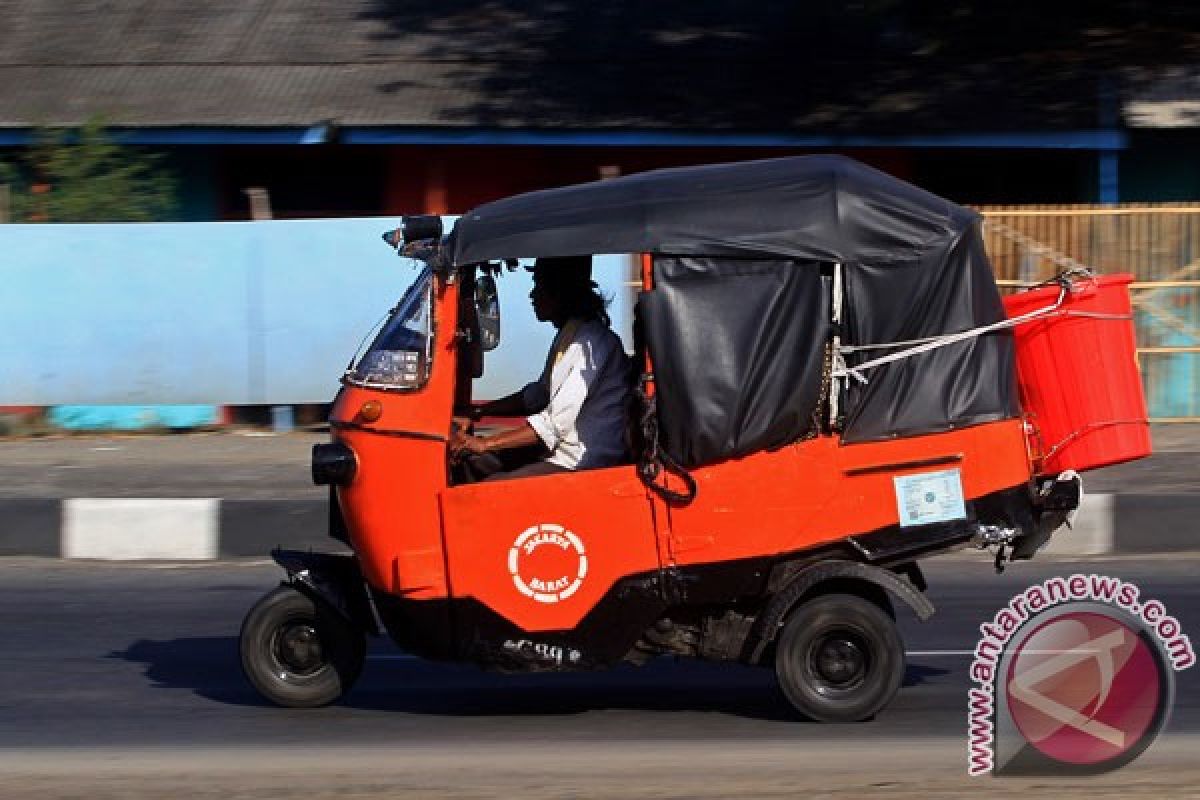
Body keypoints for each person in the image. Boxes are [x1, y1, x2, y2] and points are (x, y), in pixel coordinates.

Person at [451, 255, 630, 482]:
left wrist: (486, 443)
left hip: (580, 461)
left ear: (561, 292)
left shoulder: (590, 343)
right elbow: (537, 396)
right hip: (558, 451)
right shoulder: (569, 336)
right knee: (471, 462)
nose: (532, 295)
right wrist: (478, 412)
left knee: (489, 490)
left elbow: (554, 424)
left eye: (539, 286)